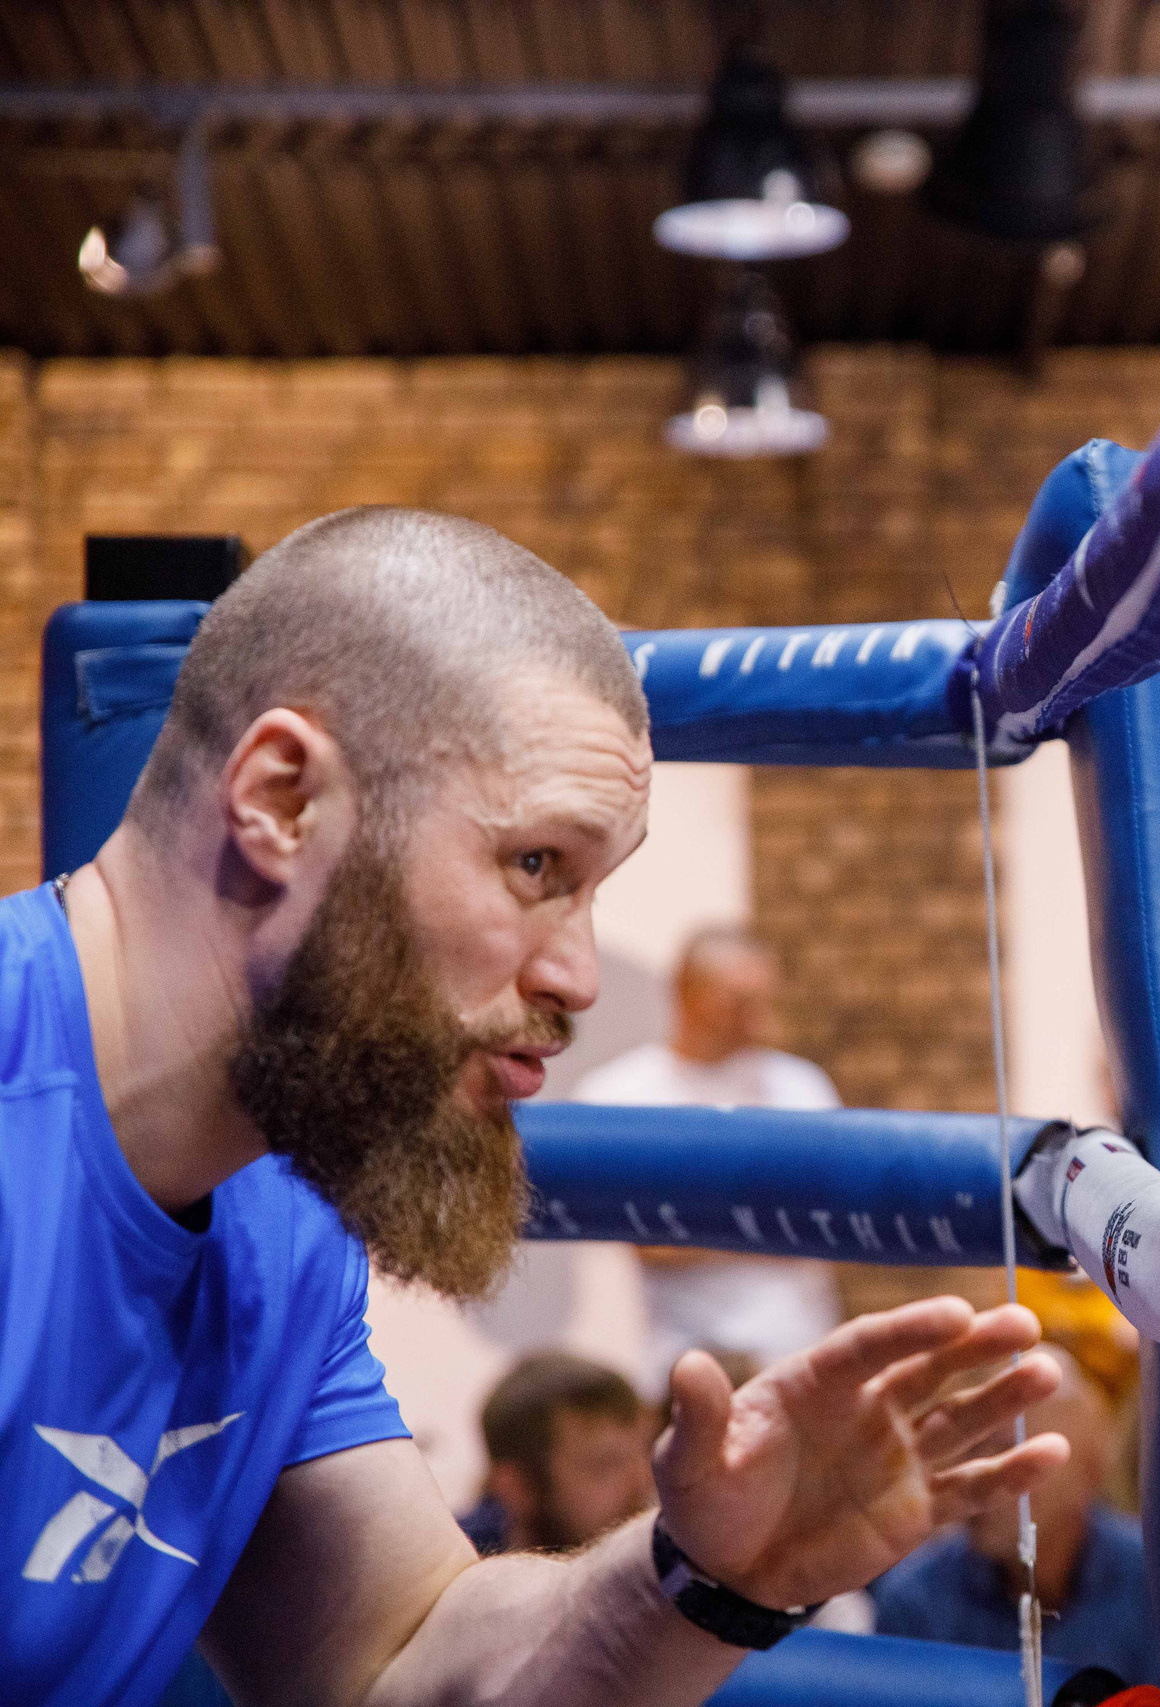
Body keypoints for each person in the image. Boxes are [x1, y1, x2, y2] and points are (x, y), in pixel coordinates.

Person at [3, 506, 1067, 1707]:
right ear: (284, 800)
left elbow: (402, 1662)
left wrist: (706, 1573)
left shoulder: (277, 1219)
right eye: (533, 867)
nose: (579, 977)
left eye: (591, 888)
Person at [577, 927, 846, 1387]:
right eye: (739, 1001)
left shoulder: (801, 1087)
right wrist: (775, 1222)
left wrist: (699, 1222)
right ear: (687, 994)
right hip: (680, 1360)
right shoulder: (621, 1097)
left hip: (801, 1350)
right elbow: (649, 1244)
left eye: (763, 1001)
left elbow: (831, 1221)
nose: (756, 1020)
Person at [870, 1345, 1160, 1687]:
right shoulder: (914, 1601)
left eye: (1006, 1450)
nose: (978, 1472)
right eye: (970, 1450)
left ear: (1089, 1468)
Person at [457, 1353, 655, 1556]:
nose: (644, 1482)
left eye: (649, 1452)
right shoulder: (446, 1575)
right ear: (519, 1487)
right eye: (605, 1465)